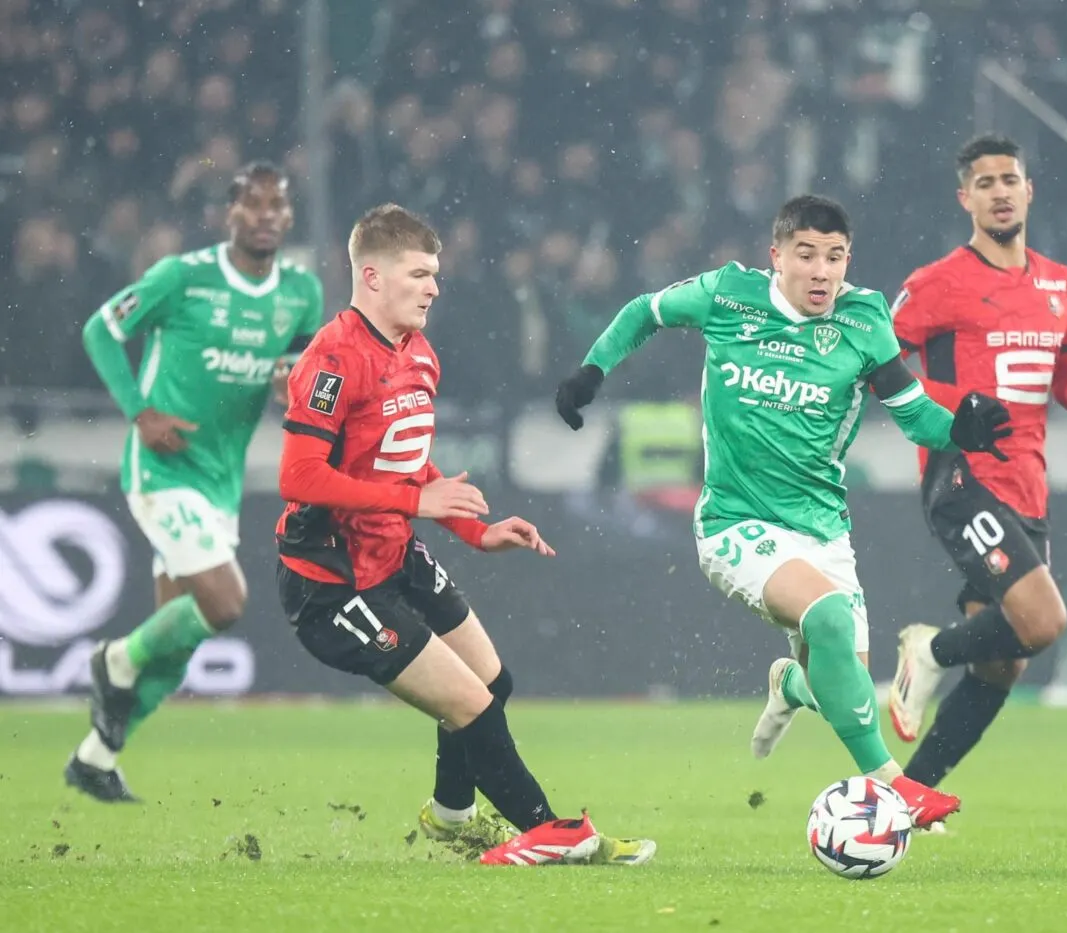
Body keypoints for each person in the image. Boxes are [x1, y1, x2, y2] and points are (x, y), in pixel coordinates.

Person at [555, 194, 1014, 829]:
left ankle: (790, 686)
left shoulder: (864, 321)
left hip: (824, 533)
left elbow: (913, 414)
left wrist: (962, 428)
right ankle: (894, 786)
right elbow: (646, 311)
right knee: (826, 618)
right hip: (734, 524)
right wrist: (591, 371)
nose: (823, 272)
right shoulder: (729, 295)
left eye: (836, 257)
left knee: (842, 686)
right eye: (807, 256)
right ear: (776, 257)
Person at [276, 203, 654, 866]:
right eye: (420, 273)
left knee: (491, 681)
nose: (434, 287)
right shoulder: (333, 357)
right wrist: (415, 500)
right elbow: (300, 476)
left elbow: (408, 461)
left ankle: (452, 816)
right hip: (333, 579)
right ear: (370, 276)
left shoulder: (419, 352)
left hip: (395, 553)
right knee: (472, 704)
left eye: (436, 274)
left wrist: (474, 529)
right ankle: (550, 830)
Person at [886, 135, 1067, 794]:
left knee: (1004, 663)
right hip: (962, 475)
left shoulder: (1061, 284)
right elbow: (876, 366)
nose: (1000, 191)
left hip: (1028, 486)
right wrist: (948, 407)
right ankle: (928, 648)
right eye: (986, 182)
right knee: (1045, 622)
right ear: (965, 198)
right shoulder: (935, 284)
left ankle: (907, 798)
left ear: (1029, 190)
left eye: (1010, 179)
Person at [69, 162, 324, 802]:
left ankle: (95, 758)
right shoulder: (183, 277)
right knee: (225, 602)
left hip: (219, 481)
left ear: (289, 217)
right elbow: (101, 329)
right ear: (229, 213)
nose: (265, 214)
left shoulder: (302, 293)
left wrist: (287, 384)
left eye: (277, 205)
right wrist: (140, 412)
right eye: (252, 204)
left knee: (178, 645)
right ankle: (114, 661)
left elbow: (297, 373)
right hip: (161, 469)